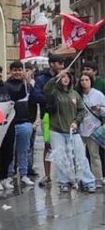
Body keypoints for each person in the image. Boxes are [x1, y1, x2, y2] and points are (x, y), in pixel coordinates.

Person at [44, 70, 96, 193]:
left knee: (80, 156)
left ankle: (88, 181)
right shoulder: (54, 93)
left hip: (73, 130)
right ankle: (64, 182)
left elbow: (81, 110)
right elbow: (46, 90)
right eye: (63, 77)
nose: (65, 79)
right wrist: (56, 76)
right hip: (56, 130)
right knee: (61, 157)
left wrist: (76, 122)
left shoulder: (75, 94)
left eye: (67, 77)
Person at [33, 54, 65, 185]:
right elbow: (36, 95)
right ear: (52, 64)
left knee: (64, 145)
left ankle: (65, 176)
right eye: (59, 63)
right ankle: (47, 175)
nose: (62, 66)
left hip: (63, 116)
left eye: (63, 64)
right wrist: (50, 101)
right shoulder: (41, 79)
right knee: (48, 145)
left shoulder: (66, 77)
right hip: (47, 116)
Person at [5, 61, 35, 187]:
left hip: (25, 123)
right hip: (10, 124)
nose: (17, 72)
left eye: (19, 70)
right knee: (10, 152)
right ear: (10, 71)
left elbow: (33, 103)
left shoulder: (28, 86)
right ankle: (9, 176)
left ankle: (24, 174)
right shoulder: (6, 86)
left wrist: (32, 121)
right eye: (14, 70)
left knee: (24, 151)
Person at [77, 73, 105, 186]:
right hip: (80, 128)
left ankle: (98, 179)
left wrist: (100, 109)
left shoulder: (98, 94)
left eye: (86, 80)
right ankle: (82, 178)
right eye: (82, 80)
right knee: (80, 156)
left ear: (91, 81)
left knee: (94, 155)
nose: (84, 82)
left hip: (94, 128)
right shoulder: (78, 94)